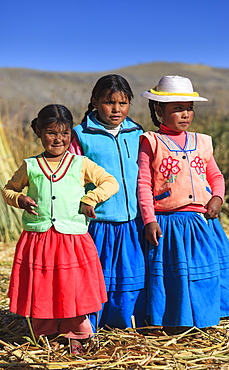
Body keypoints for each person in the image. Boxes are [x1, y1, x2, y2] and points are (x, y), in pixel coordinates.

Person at [1, 104, 119, 354]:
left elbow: (110, 182)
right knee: (43, 285)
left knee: (71, 286)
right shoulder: (31, 166)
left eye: (65, 133)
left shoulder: (80, 164)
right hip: (39, 238)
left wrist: (91, 199)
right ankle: (46, 332)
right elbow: (7, 190)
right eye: (52, 133)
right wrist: (19, 200)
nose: (59, 139)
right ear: (39, 132)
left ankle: (76, 332)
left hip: (72, 239)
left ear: (71, 135)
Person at [137, 75, 229, 332]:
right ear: (159, 110)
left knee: (206, 270)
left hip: (201, 222)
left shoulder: (202, 142)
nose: (185, 114)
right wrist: (149, 220)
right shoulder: (151, 142)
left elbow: (215, 175)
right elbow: (143, 185)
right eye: (177, 109)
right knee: (176, 276)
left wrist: (217, 196)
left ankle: (210, 315)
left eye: (189, 108)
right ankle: (176, 320)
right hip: (170, 223)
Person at [69, 74, 146, 330]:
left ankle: (126, 324)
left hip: (131, 221)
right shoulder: (81, 135)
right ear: (94, 102)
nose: (116, 109)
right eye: (108, 102)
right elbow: (72, 176)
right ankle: (91, 326)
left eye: (123, 103)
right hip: (98, 222)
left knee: (130, 276)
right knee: (96, 277)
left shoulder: (137, 133)